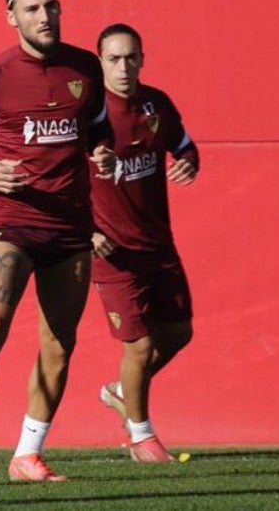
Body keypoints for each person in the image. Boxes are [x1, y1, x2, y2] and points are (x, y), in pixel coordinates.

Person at [0, 0, 115, 484]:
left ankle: (27, 455)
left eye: (51, 6)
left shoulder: (85, 68)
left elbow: (99, 130)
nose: (46, 16)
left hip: (71, 229)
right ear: (12, 18)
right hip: (13, 224)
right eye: (33, 9)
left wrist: (102, 151)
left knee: (59, 344)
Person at [89, 23, 198, 463]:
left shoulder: (157, 104)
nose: (124, 67)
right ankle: (142, 438)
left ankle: (121, 392)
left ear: (142, 60)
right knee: (137, 345)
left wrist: (189, 163)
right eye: (114, 59)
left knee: (178, 332)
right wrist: (85, 230)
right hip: (112, 252)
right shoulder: (87, 115)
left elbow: (185, 147)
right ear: (99, 62)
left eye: (131, 58)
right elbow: (59, 179)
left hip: (158, 244)